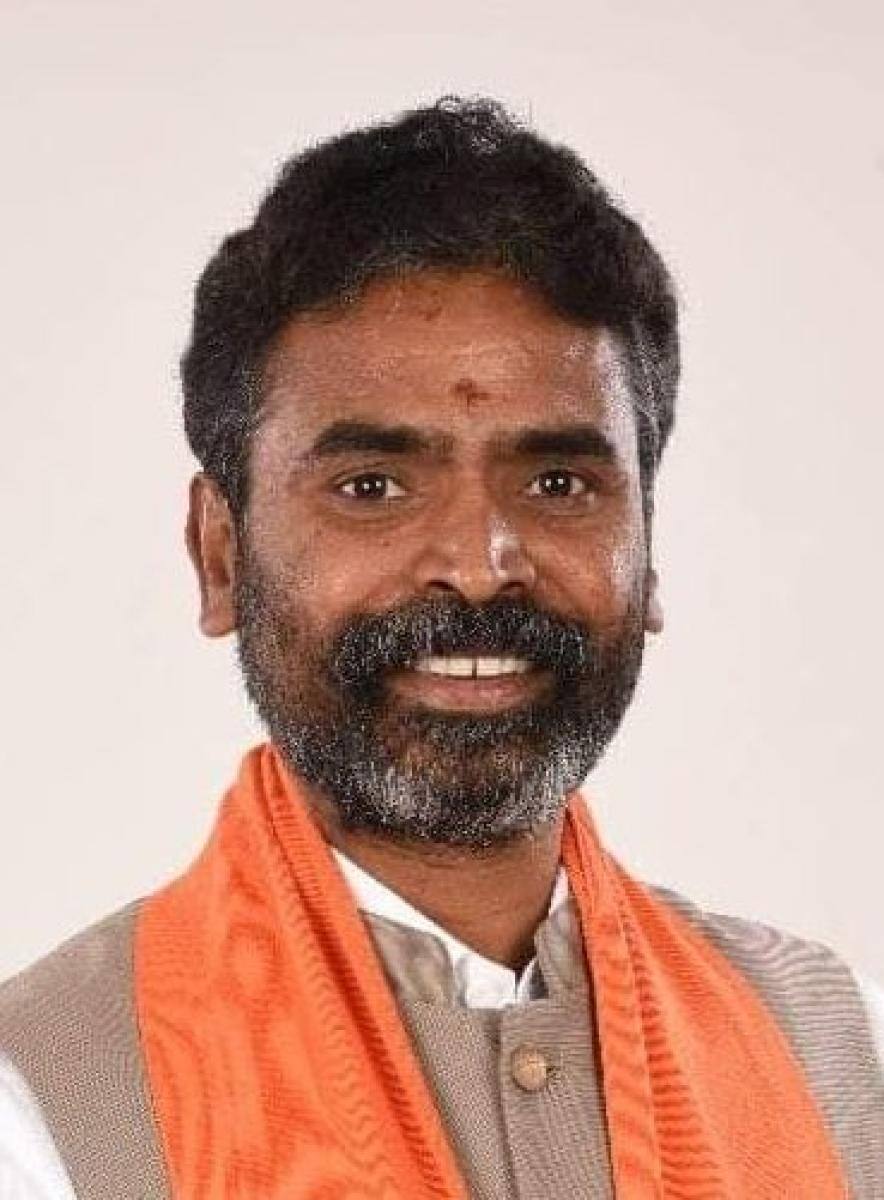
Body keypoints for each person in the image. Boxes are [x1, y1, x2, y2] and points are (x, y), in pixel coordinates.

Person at [1, 97, 882, 1200]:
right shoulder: (42, 1106)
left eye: (557, 481)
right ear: (220, 556)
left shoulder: (827, 1049)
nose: (478, 562)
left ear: (648, 547)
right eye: (372, 486)